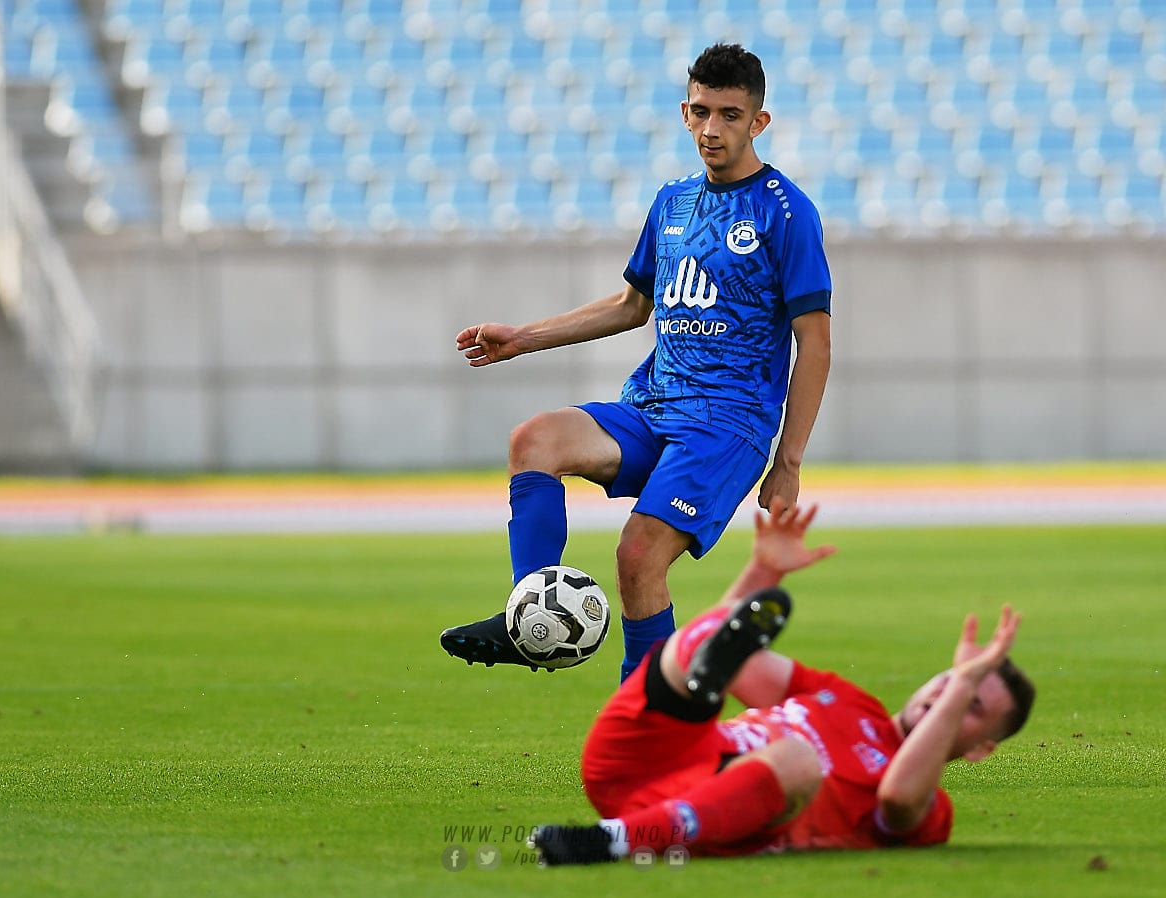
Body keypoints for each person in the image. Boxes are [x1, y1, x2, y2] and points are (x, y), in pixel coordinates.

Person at [441, 42, 834, 681]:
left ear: (758, 122)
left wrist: (787, 463)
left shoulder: (785, 213)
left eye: (730, 115)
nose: (712, 128)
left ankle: (650, 720)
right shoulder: (672, 202)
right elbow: (632, 305)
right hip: (653, 407)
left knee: (638, 556)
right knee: (534, 440)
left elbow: (814, 342)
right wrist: (522, 338)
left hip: (726, 426)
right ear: (684, 112)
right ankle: (528, 616)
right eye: (701, 111)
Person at [530, 503, 1036, 864]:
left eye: (969, 703)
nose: (946, 694)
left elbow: (898, 801)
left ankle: (612, 840)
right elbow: (736, 658)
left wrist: (963, 682)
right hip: (638, 760)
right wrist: (763, 571)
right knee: (698, 644)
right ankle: (697, 698)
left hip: (714, 812)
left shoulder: (929, 808)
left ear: (979, 749)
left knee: (796, 757)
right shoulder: (850, 701)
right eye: (948, 680)